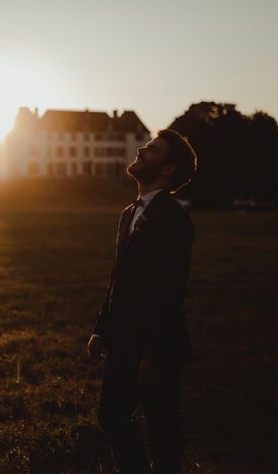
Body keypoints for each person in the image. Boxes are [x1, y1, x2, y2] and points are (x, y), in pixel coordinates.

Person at [87, 129, 197, 474]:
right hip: (121, 338)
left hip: (155, 342)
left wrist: (154, 352)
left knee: (162, 424)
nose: (142, 151)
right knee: (112, 416)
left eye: (152, 150)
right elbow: (118, 276)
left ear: (168, 169)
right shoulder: (127, 214)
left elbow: (170, 290)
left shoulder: (174, 218)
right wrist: (101, 328)